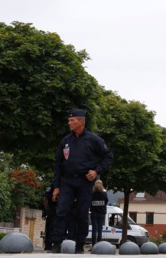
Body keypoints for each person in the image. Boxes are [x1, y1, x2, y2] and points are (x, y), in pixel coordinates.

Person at [50, 108, 114, 254]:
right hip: (67, 181)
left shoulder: (94, 140)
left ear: (81, 121)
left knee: (82, 213)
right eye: (69, 120)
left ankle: (79, 246)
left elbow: (108, 157)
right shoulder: (65, 141)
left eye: (72, 120)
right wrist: (56, 187)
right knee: (61, 211)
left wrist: (96, 171)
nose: (69, 122)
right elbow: (58, 164)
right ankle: (56, 244)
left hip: (85, 182)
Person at [90, 180, 108, 246]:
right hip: (102, 213)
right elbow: (106, 201)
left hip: (94, 213)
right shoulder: (104, 194)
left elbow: (90, 202)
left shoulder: (92, 193)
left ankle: (93, 245)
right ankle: (99, 245)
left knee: (94, 230)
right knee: (100, 229)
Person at [43, 183, 57, 251]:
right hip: (55, 209)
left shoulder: (50, 186)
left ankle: (48, 245)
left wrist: (47, 209)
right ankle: (52, 244)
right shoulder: (60, 186)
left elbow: (45, 199)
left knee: (49, 227)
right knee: (52, 227)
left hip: (50, 210)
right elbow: (45, 199)